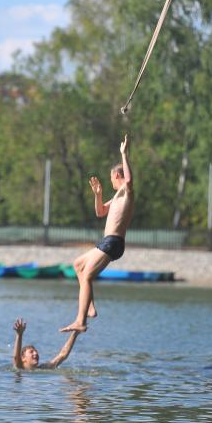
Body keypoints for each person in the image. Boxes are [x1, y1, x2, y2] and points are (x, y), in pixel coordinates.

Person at [60, 134, 134, 333]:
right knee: (77, 265)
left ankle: (80, 320)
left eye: (111, 177)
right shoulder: (117, 196)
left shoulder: (126, 192)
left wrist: (123, 154)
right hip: (107, 242)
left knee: (87, 277)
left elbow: (129, 180)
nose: (110, 181)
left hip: (114, 242)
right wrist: (98, 195)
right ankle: (90, 306)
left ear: (116, 176)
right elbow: (100, 212)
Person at [13, 318, 80, 370]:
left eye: (36, 351)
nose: (36, 353)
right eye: (31, 352)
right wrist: (19, 335)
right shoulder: (20, 367)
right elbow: (16, 358)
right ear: (23, 358)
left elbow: (62, 355)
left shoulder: (42, 368)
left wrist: (75, 332)